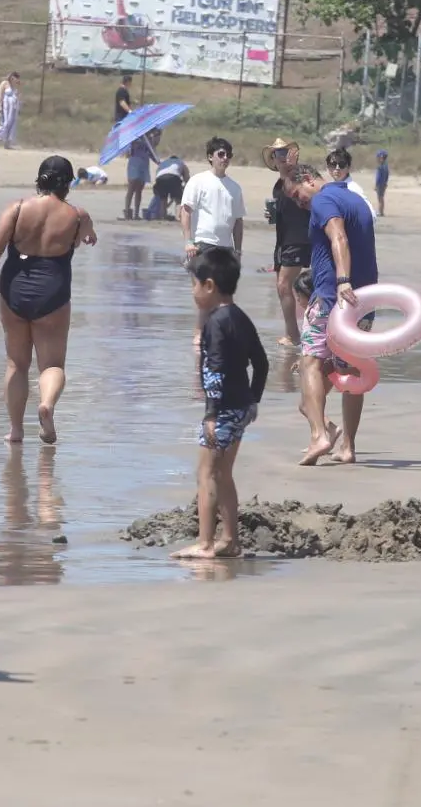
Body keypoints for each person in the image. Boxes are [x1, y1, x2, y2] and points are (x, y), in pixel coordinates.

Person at [0, 156, 98, 444]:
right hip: (53, 292)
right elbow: (87, 237)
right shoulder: (77, 216)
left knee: (16, 364)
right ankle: (47, 405)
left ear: (39, 180)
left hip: (14, 290)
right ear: (69, 183)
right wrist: (87, 236)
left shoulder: (18, 209)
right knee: (52, 365)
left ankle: (15, 431)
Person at [172, 250, 268, 561]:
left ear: (209, 285)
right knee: (224, 473)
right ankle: (230, 539)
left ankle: (205, 544)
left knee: (206, 473)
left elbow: (214, 371)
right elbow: (262, 363)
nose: (192, 291)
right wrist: (253, 400)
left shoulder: (215, 322)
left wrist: (211, 414)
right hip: (240, 406)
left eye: (194, 284)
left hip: (223, 408)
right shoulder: (239, 317)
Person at [285, 163, 378, 467]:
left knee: (310, 362)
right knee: (352, 372)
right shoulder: (356, 199)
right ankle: (348, 446)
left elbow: (338, 236)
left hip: (330, 297)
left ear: (309, 179)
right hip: (363, 300)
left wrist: (342, 280)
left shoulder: (324, 200)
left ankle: (319, 436)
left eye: (298, 196)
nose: (300, 203)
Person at [181, 137, 246, 344]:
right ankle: (200, 336)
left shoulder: (234, 187)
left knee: (225, 296)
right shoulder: (198, 180)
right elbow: (186, 210)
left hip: (226, 247)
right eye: (221, 154)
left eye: (228, 155)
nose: (225, 158)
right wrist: (188, 241)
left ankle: (223, 336)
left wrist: (238, 250)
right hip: (202, 244)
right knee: (204, 295)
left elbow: (238, 221)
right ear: (211, 157)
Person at [264, 138, 311, 347]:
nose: (282, 157)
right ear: (273, 160)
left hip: (299, 238)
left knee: (284, 285)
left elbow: (305, 199)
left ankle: (294, 335)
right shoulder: (278, 185)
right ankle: (294, 332)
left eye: (285, 152)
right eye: (277, 154)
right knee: (283, 286)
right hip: (283, 239)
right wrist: (273, 214)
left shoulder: (299, 178)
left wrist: (292, 171)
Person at [123, 127, 161, 220]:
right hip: (134, 163)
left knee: (139, 189)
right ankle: (127, 211)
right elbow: (128, 153)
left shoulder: (149, 139)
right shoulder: (133, 137)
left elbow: (151, 151)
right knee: (131, 188)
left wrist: (157, 136)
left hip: (144, 163)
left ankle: (136, 213)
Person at [0, 71, 22, 149]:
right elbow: (0, 95)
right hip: (6, 107)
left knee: (12, 125)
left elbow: (19, 96)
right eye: (14, 77)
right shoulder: (4, 83)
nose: (15, 79)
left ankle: (7, 144)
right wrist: (0, 106)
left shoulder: (15, 86)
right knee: (6, 124)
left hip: (14, 108)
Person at [150, 153, 190, 220]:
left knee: (163, 199)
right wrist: (185, 186)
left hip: (160, 179)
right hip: (173, 178)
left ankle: (163, 216)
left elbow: (158, 175)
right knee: (178, 200)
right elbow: (187, 178)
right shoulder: (181, 162)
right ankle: (178, 217)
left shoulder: (164, 163)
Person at [374, 149, 390, 217]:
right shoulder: (386, 166)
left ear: (381, 157)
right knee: (382, 198)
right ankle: (381, 211)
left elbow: (378, 177)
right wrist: (386, 183)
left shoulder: (380, 167)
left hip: (380, 184)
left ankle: (380, 212)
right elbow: (387, 176)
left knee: (380, 198)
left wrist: (376, 185)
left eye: (378, 157)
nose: (377, 159)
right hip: (384, 184)